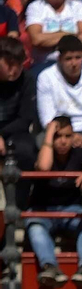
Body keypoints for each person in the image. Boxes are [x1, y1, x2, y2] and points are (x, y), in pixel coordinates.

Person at [28, 114, 82, 289]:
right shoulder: (41, 149)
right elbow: (44, 167)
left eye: (67, 136)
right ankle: (50, 268)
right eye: (58, 136)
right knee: (34, 226)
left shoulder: (78, 151)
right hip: (43, 211)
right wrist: (48, 134)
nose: (63, 141)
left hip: (72, 210)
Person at [36, 36, 82, 142]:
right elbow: (47, 118)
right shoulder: (46, 78)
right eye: (68, 59)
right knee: (41, 141)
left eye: (78, 58)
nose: (74, 64)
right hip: (60, 131)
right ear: (59, 59)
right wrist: (69, 136)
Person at [0, 38, 38, 182]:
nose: (14, 70)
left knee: (26, 150)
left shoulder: (27, 80)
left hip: (14, 132)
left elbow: (25, 118)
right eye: (9, 65)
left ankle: (20, 201)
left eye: (18, 65)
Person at [25, 0, 82, 65]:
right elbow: (37, 40)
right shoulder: (35, 7)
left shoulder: (79, 6)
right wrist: (71, 36)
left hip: (76, 62)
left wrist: (50, 40)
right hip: (45, 62)